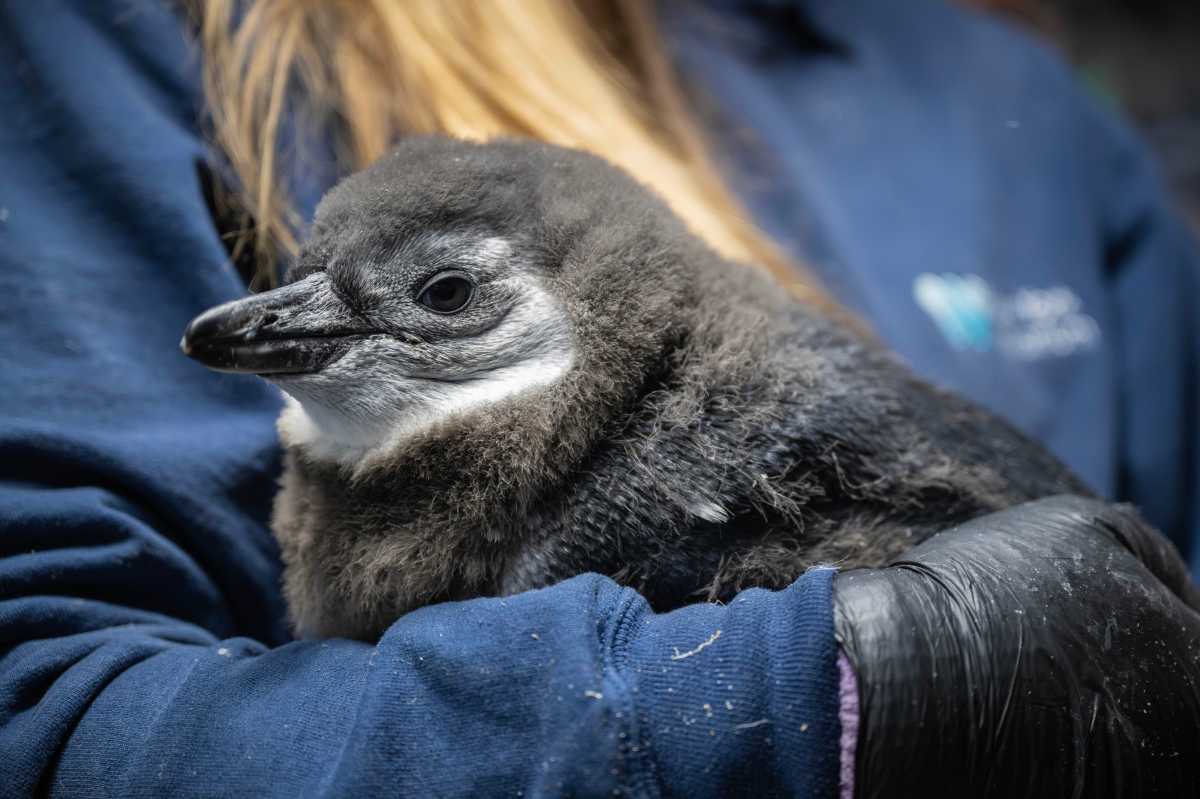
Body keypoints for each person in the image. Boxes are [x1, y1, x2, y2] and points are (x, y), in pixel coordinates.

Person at [1, 1, 1197, 796]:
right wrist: (826, 691)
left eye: (451, 293)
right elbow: (46, 715)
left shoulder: (1015, 109)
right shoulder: (149, 40)